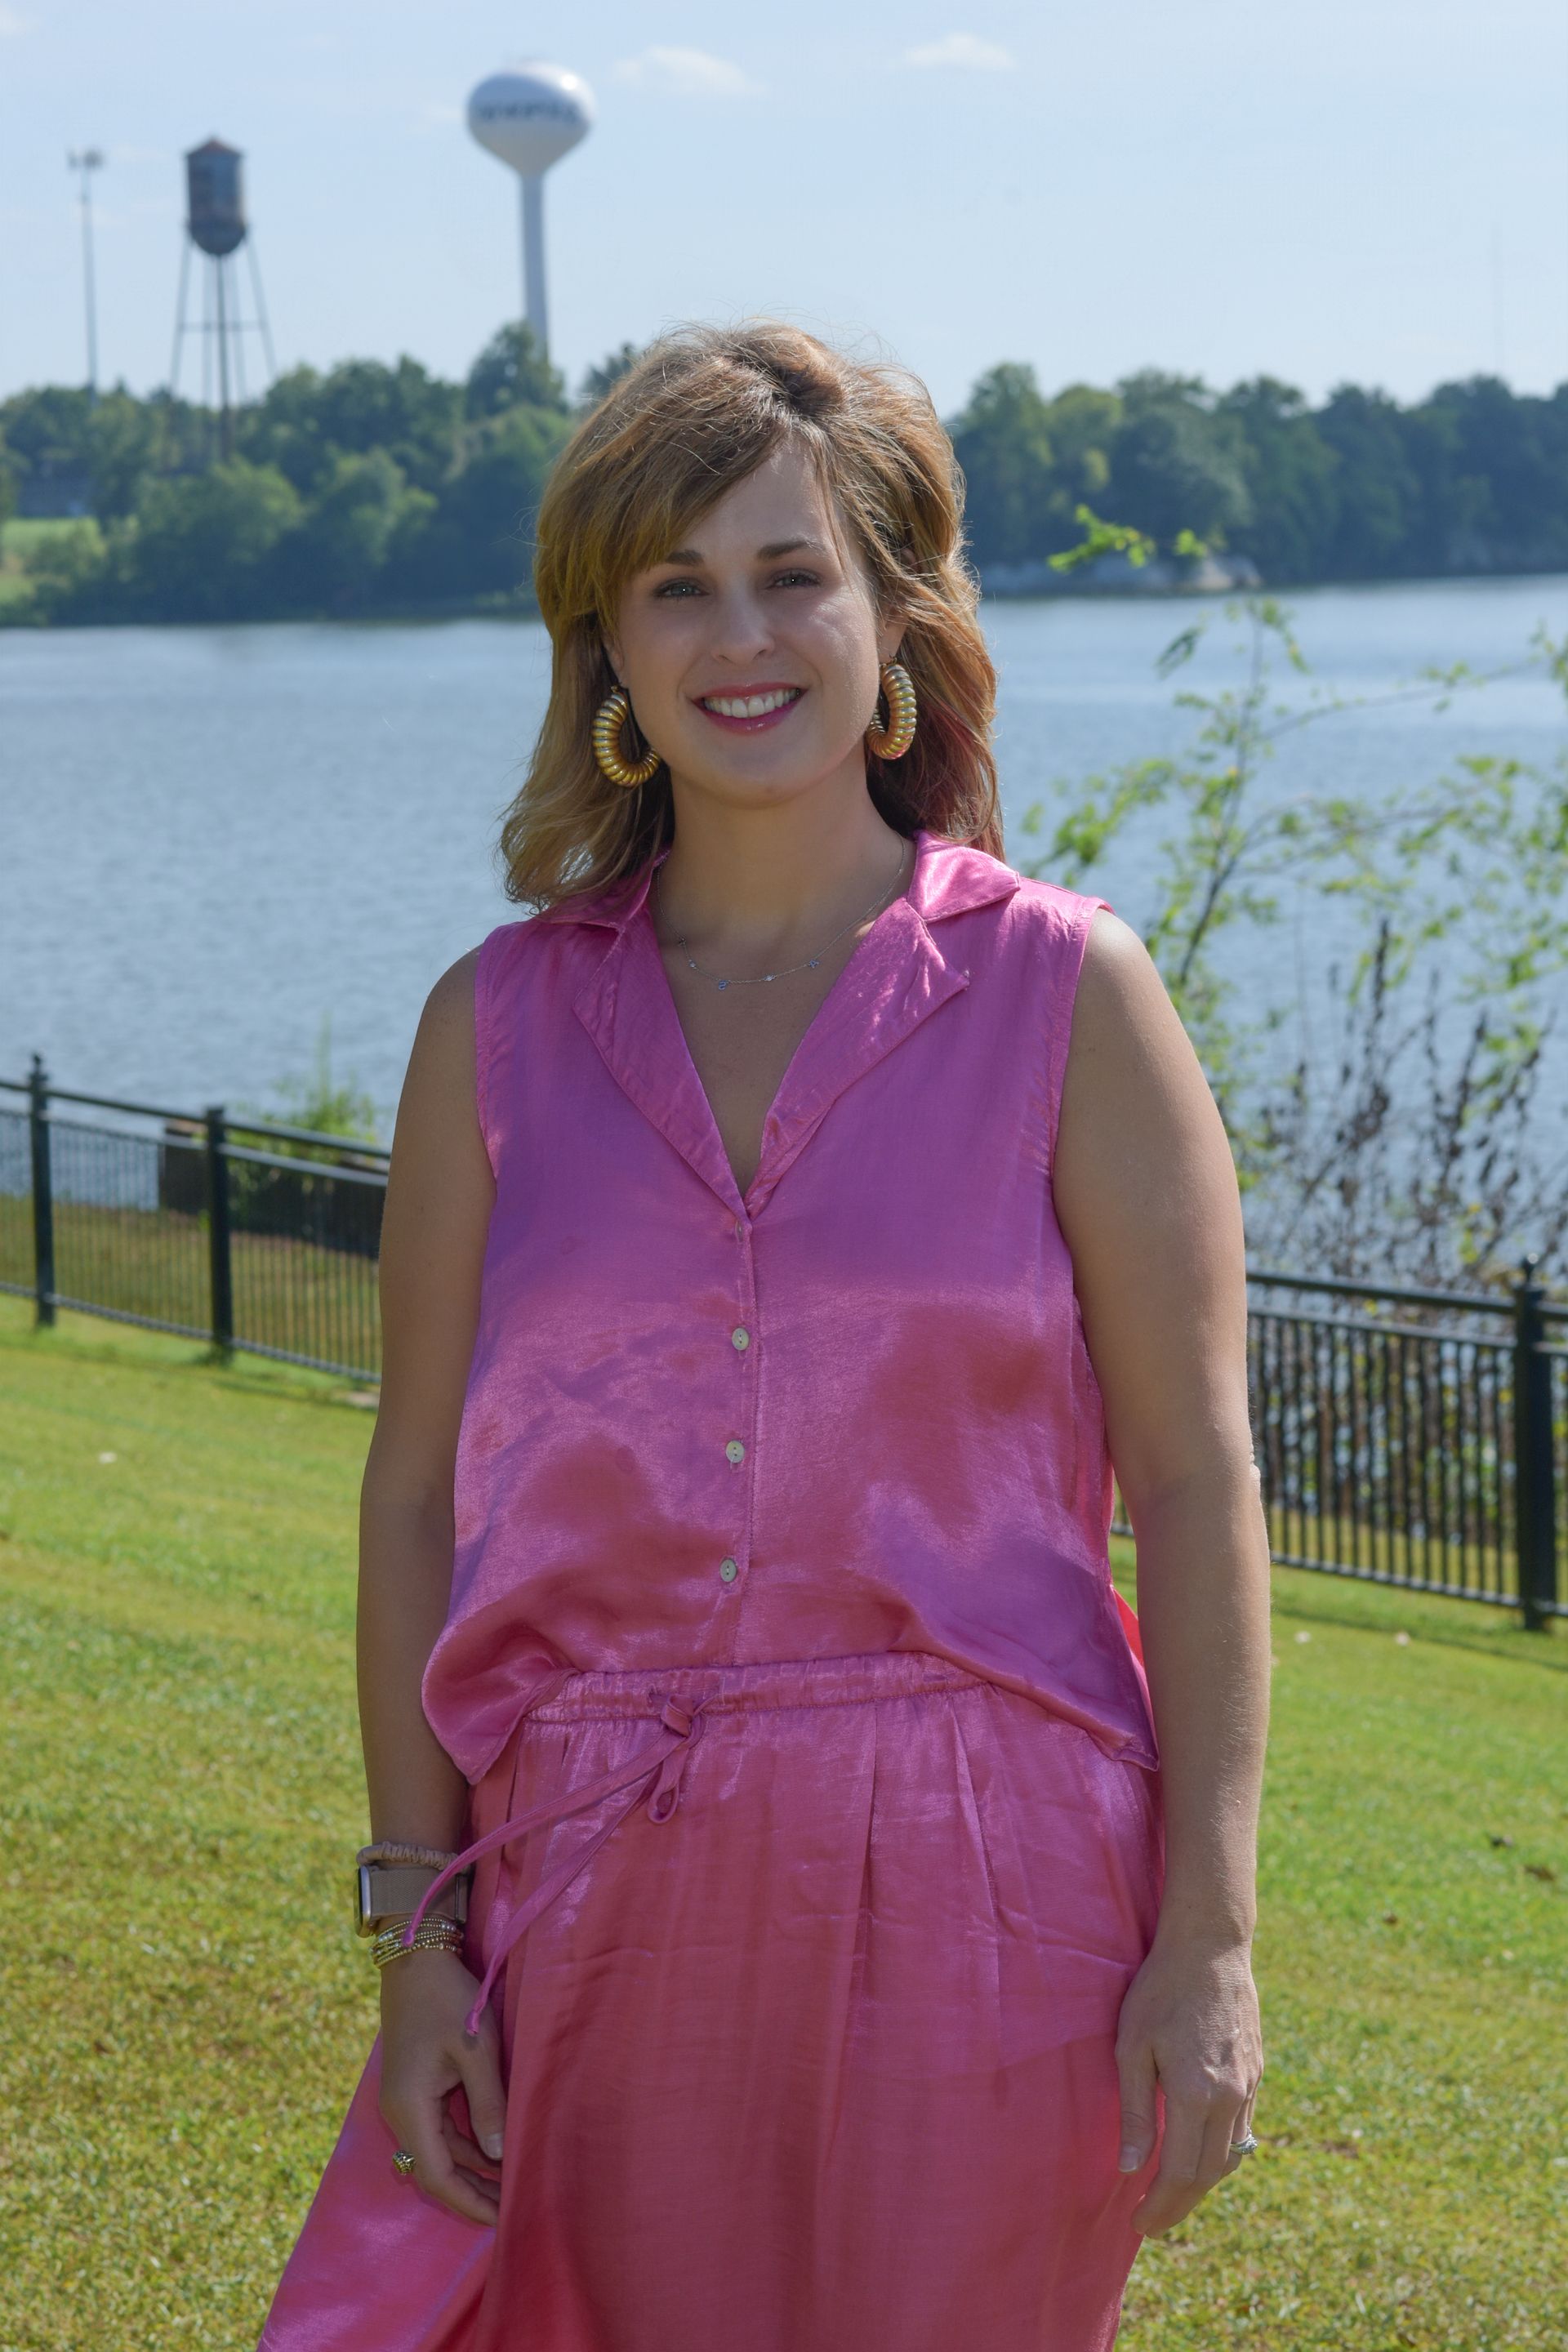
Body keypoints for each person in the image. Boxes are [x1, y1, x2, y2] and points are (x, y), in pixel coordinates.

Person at [258, 320, 1270, 2352]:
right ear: (606, 649)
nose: (744, 636)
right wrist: (418, 1926)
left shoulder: (1073, 997)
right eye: (677, 585)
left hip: (1000, 1894)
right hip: (589, 1897)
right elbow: (409, 1501)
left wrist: (1211, 1937)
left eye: (795, 572)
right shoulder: (498, 1027)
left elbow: (1193, 1478)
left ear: (897, 615)